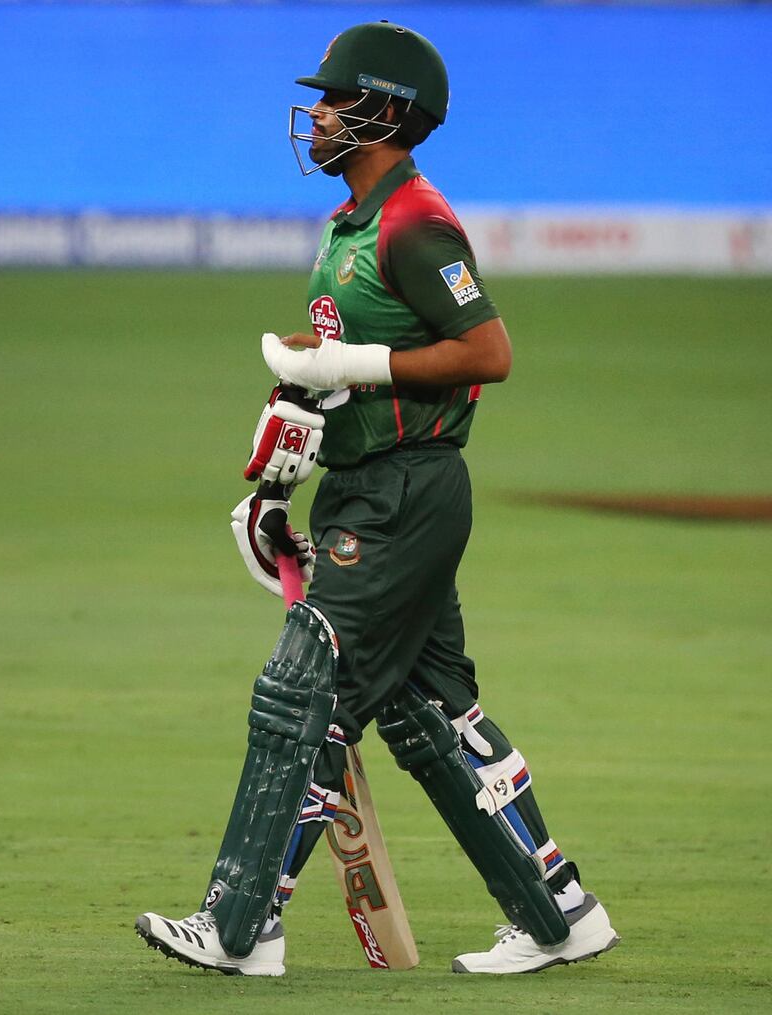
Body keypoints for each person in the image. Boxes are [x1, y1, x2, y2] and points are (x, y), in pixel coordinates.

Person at [136, 20, 619, 976]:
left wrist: (356, 361)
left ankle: (241, 926)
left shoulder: (416, 223)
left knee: (301, 695)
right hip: (365, 491)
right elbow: (331, 385)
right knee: (431, 709)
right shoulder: (349, 227)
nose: (314, 116)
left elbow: (488, 353)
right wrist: (275, 488)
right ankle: (558, 911)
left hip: (404, 495)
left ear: (384, 113)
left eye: (332, 99)